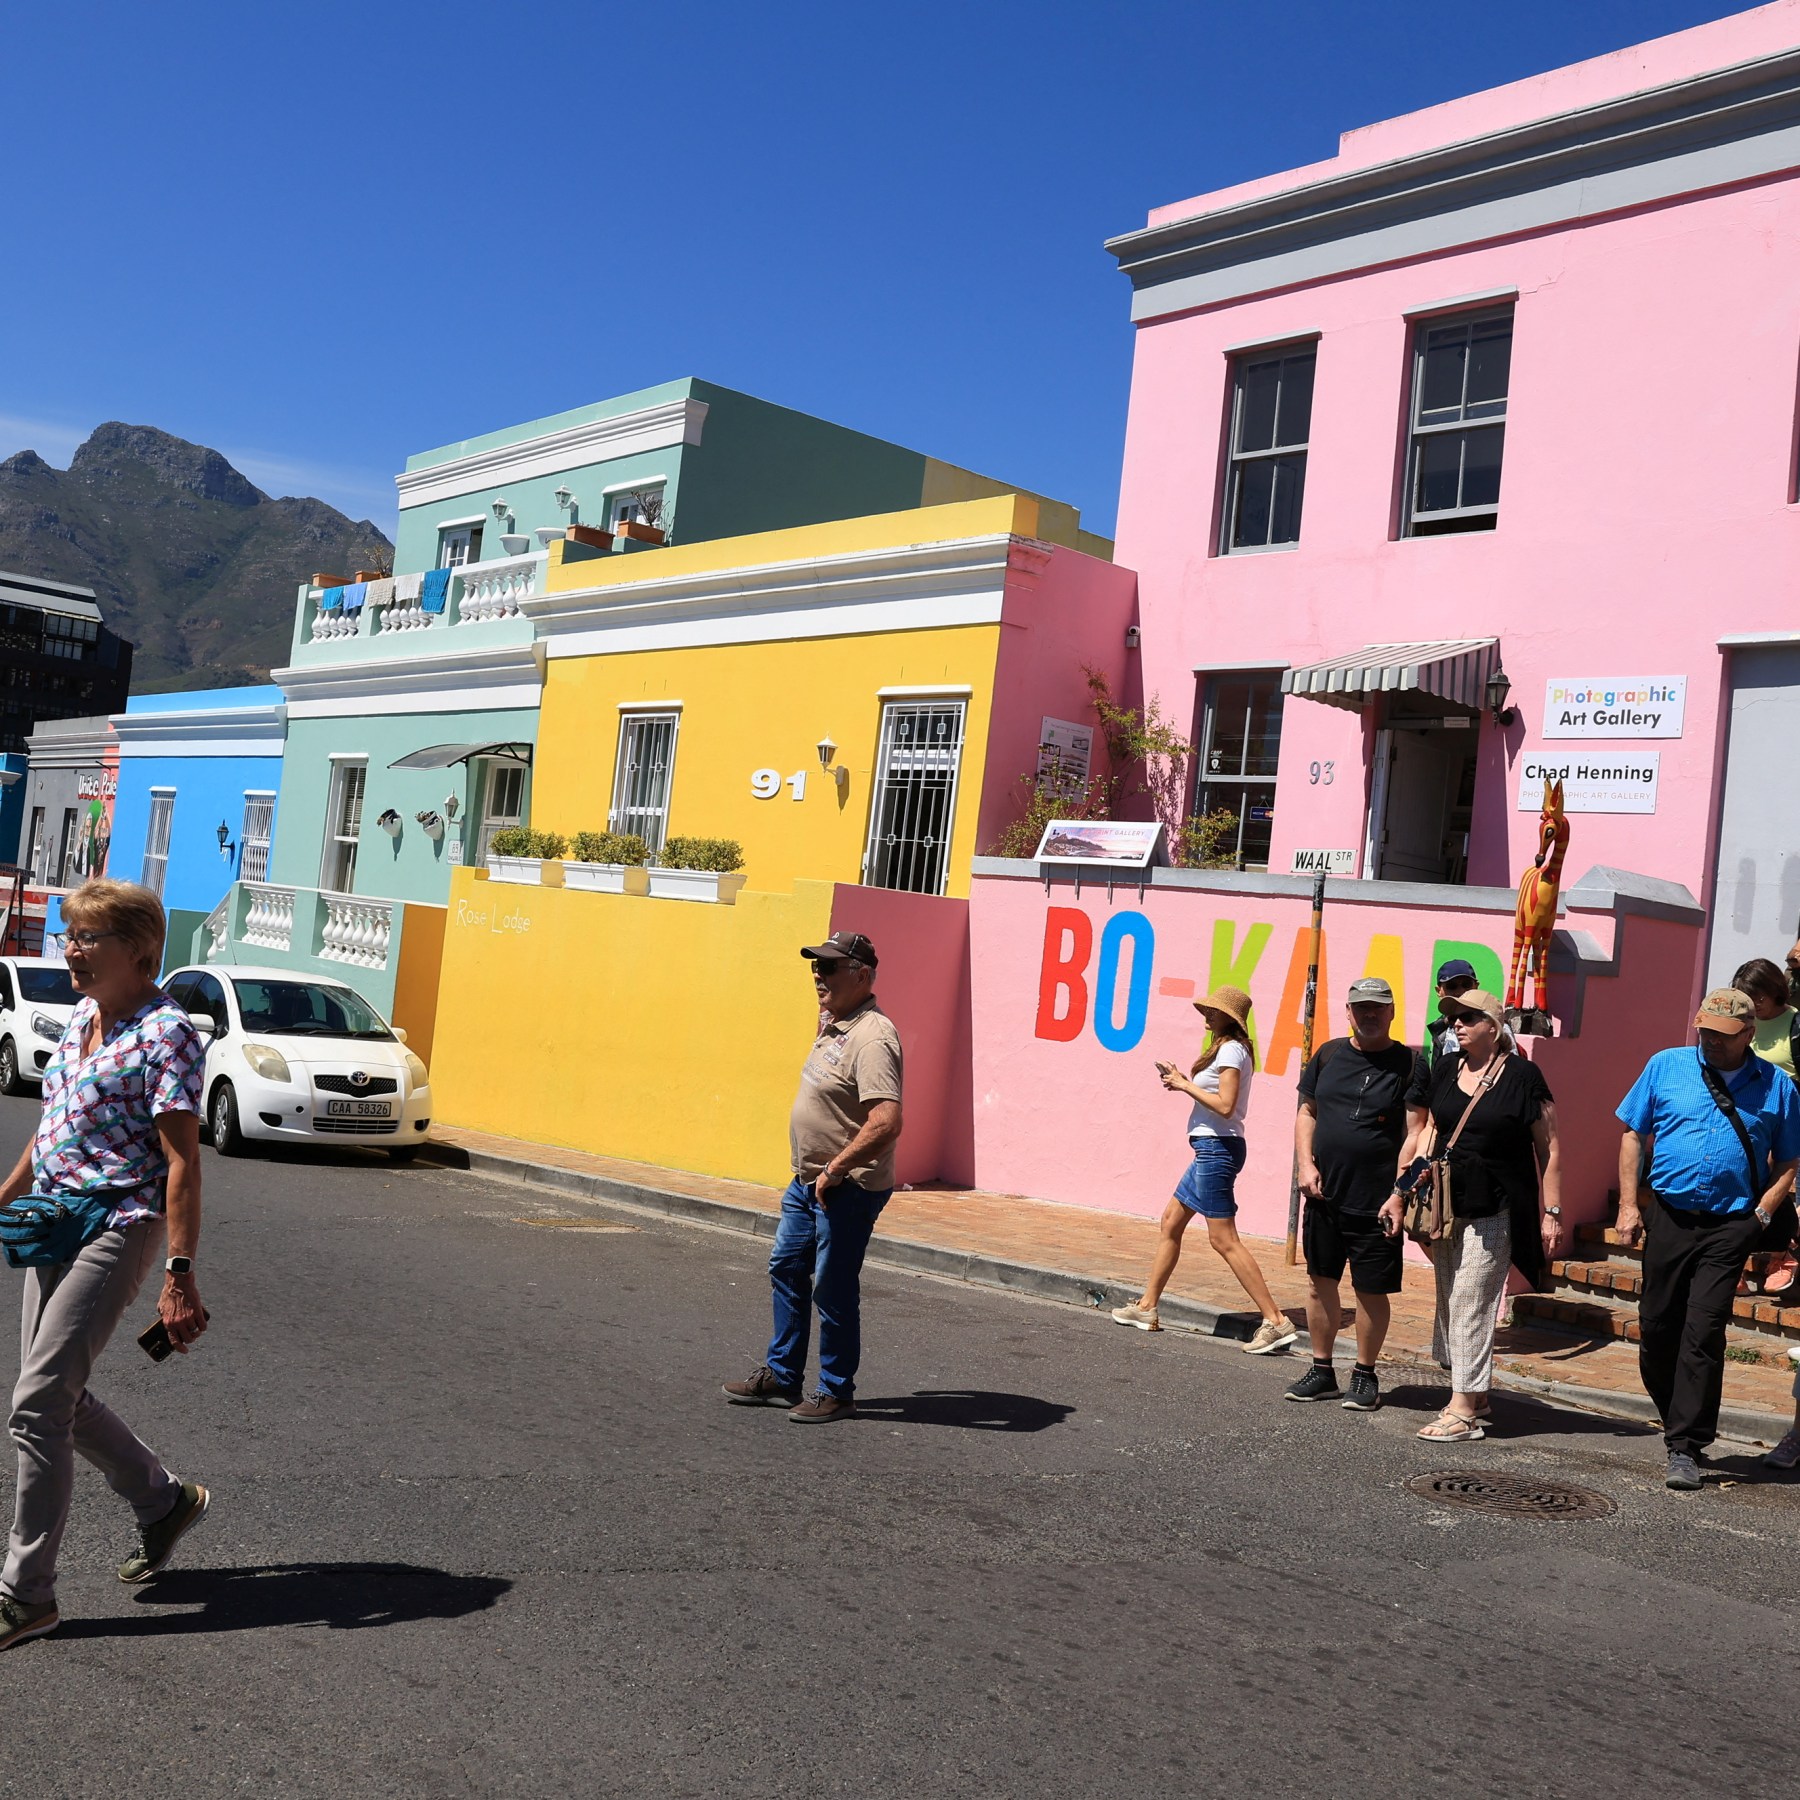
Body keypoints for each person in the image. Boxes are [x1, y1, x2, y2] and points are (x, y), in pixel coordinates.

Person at [0, 879, 210, 1652]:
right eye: (71, 935)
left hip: (118, 1224)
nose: (72, 951)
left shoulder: (167, 1035)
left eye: (89, 938)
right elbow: (53, 1127)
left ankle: (26, 1595)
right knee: (52, 1393)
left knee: (37, 1403)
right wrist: (5, 1196)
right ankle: (163, 1502)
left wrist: (179, 1273)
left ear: (140, 950)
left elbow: (182, 1162)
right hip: (51, 1219)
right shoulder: (83, 1018)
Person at [1617, 988, 1800, 1490]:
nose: (1711, 1041)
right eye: (1706, 1032)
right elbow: (1633, 1133)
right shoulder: (1666, 1066)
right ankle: (1677, 1416)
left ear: (1750, 1034)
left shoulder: (1777, 1087)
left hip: (1732, 1224)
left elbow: (1788, 1161)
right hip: (1669, 1217)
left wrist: (1761, 1215)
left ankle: (1686, 1444)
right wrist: (1629, 1204)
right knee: (1657, 1329)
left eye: (1723, 1035)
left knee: (1703, 1331)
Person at [723, 931, 902, 1423]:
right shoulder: (835, 1022)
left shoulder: (873, 1038)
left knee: (833, 1288)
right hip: (808, 1181)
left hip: (846, 1187)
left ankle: (837, 1391)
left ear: (861, 976)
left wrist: (836, 1169)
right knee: (786, 1268)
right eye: (815, 968)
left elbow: (886, 1122)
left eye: (829, 968)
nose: (818, 977)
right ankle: (783, 1377)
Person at [1386, 988, 1562, 1442]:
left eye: (1467, 1017)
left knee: (1470, 1301)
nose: (1457, 1024)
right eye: (1454, 1018)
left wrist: (1552, 1211)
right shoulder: (1447, 1067)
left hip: (1497, 1208)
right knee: (1450, 1298)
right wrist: (1402, 1190)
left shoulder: (1524, 1077)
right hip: (1447, 1205)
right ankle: (1476, 1394)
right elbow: (1432, 1131)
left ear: (1493, 1027)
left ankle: (1462, 1411)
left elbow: (1549, 1149)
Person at [1110, 987, 1297, 1354]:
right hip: (1209, 1149)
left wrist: (1183, 1085)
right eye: (1208, 1009)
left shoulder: (1231, 1049)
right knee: (1171, 1222)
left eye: (1214, 1010)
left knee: (1223, 1239)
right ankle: (1147, 1307)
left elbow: (1225, 1106)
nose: (1207, 1015)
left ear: (1231, 1017)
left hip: (1217, 1149)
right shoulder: (1227, 1049)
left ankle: (1276, 1321)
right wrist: (1183, 1079)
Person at [1286, 977, 1416, 1410]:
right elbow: (1307, 1112)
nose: (1370, 1014)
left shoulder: (1410, 1064)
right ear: (1348, 1012)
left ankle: (1364, 1373)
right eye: (1361, 1007)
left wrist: (1399, 1192)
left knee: (1370, 1291)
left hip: (1378, 1202)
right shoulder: (1327, 1055)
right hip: (1324, 1195)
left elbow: (1417, 1132)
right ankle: (1322, 1370)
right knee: (1319, 1283)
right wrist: (1305, 1165)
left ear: (1392, 1011)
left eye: (1378, 1007)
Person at [1420, 959, 1480, 1072]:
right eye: (1452, 986)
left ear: (1476, 986)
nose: (1460, 991)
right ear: (1439, 991)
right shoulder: (1440, 1028)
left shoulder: (1491, 1024)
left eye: (1466, 985)